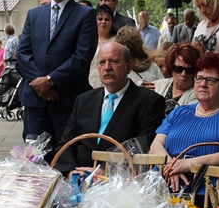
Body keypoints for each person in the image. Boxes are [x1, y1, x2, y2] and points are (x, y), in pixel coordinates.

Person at [16, 0, 98, 158]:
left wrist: (51, 80)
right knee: (35, 158)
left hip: (66, 100)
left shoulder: (85, 14)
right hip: (35, 101)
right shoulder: (34, 14)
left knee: (65, 156)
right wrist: (41, 85)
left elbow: (82, 56)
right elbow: (22, 54)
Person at [54, 42, 165, 178]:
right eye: (102, 62)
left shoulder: (149, 102)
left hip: (119, 182)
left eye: (114, 61)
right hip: (78, 179)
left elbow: (144, 147)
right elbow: (65, 145)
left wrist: (106, 170)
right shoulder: (83, 100)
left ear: (128, 66)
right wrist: (71, 172)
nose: (107, 67)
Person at [150, 52, 219, 192]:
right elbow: (155, 145)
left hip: (211, 195)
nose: (203, 84)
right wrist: (172, 167)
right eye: (199, 78)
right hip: (165, 188)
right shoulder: (179, 112)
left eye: (211, 80)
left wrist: (189, 164)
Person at [154, 43, 201, 115]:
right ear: (171, 67)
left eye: (189, 70)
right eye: (179, 69)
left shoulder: (198, 94)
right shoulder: (158, 85)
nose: (183, 74)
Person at [89, 5, 116, 88]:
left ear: (112, 22)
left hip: (111, 82)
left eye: (107, 19)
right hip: (89, 83)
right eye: (100, 19)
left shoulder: (117, 41)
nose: (103, 22)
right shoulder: (88, 40)